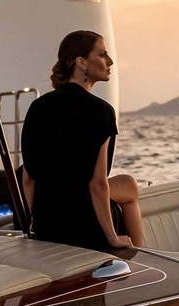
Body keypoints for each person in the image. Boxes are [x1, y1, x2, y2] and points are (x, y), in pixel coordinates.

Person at [21, 30, 144, 250]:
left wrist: (36, 224)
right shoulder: (101, 111)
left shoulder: (37, 107)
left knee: (123, 184)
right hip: (83, 223)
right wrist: (112, 237)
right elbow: (97, 183)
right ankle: (143, 253)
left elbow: (28, 178)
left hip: (48, 223)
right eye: (103, 54)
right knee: (129, 185)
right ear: (81, 62)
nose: (110, 61)